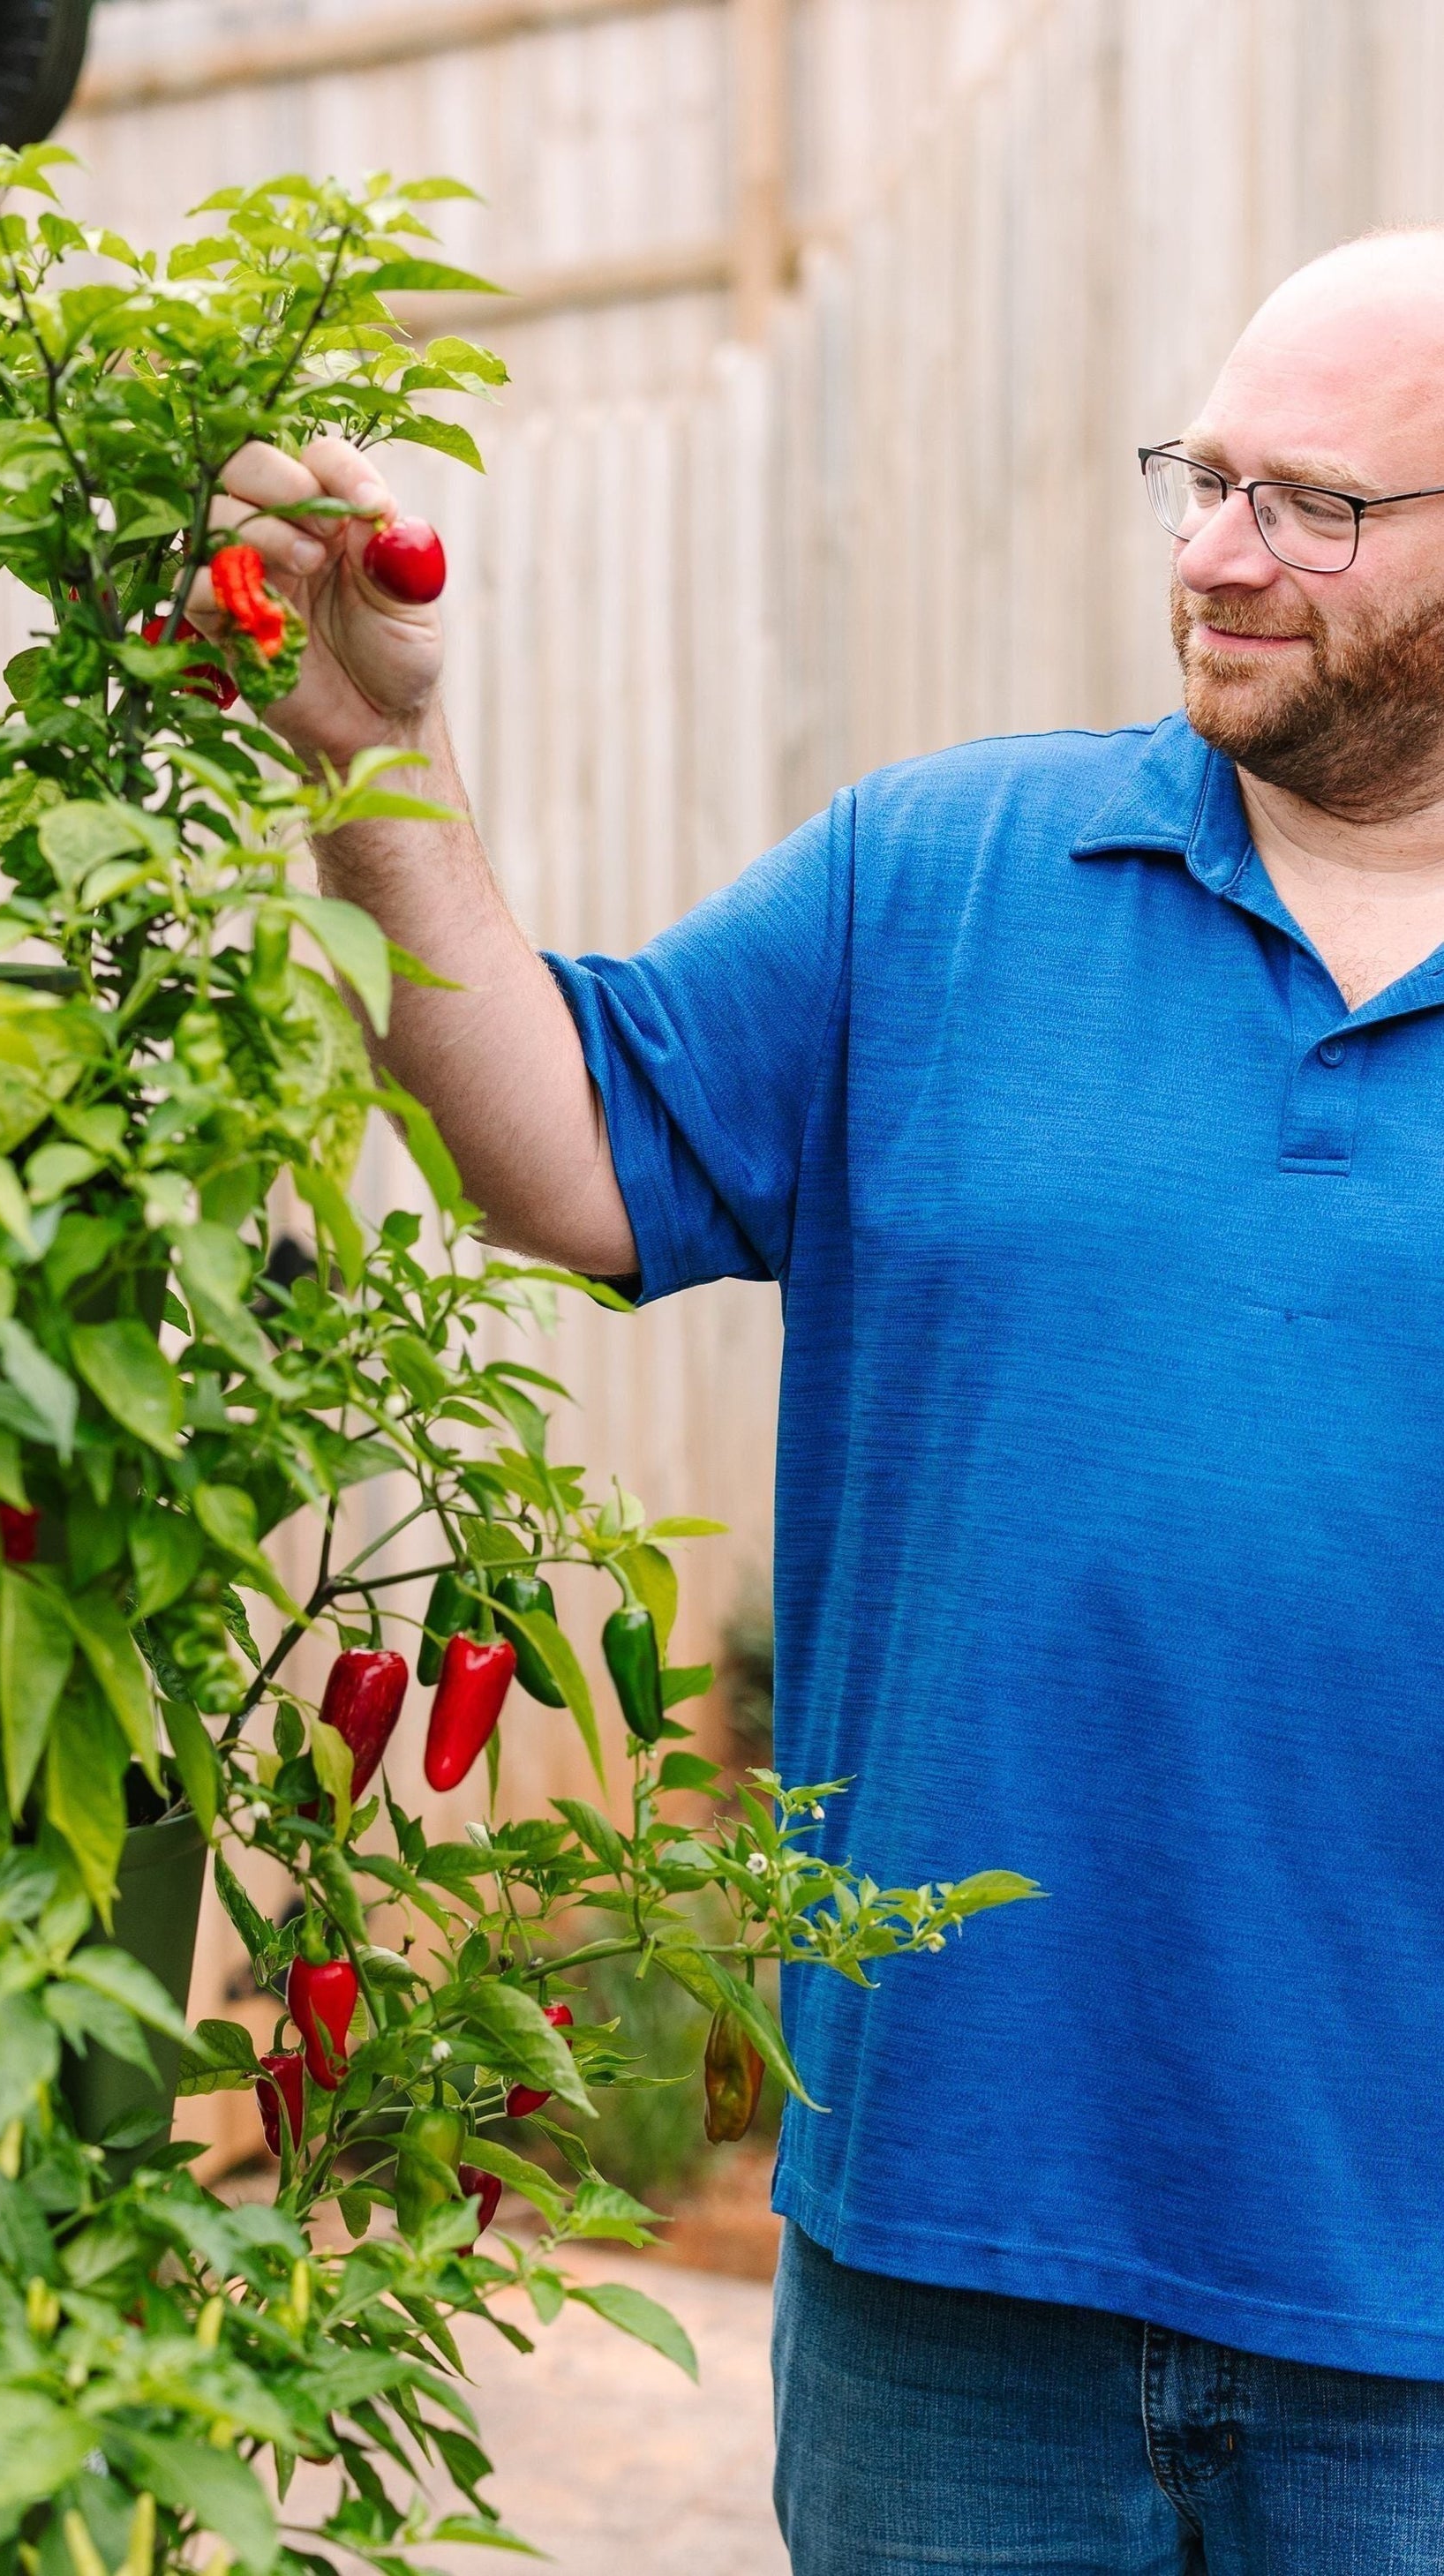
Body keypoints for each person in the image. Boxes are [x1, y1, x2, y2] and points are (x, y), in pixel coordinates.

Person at [196, 228, 1444, 2572]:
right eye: (1202, 478)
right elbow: (557, 1154)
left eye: (1314, 507)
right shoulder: (939, 882)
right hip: (950, 2283)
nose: (1213, 553)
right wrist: (365, 756)